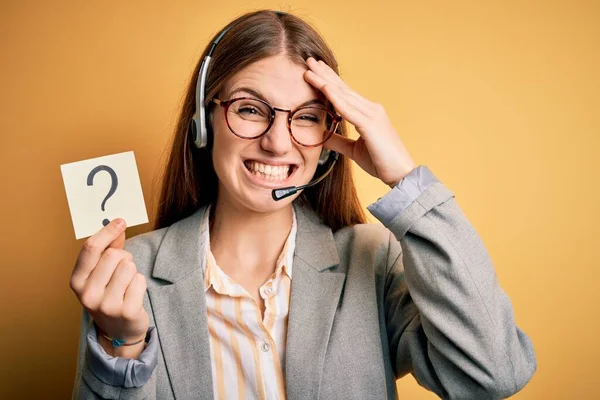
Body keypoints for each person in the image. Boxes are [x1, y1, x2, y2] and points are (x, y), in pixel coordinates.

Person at [70, 9, 536, 400]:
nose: (277, 143)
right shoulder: (129, 273)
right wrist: (122, 345)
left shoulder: (373, 259)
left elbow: (493, 373)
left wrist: (405, 180)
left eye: (307, 118)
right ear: (202, 122)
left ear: (328, 138)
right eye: (250, 109)